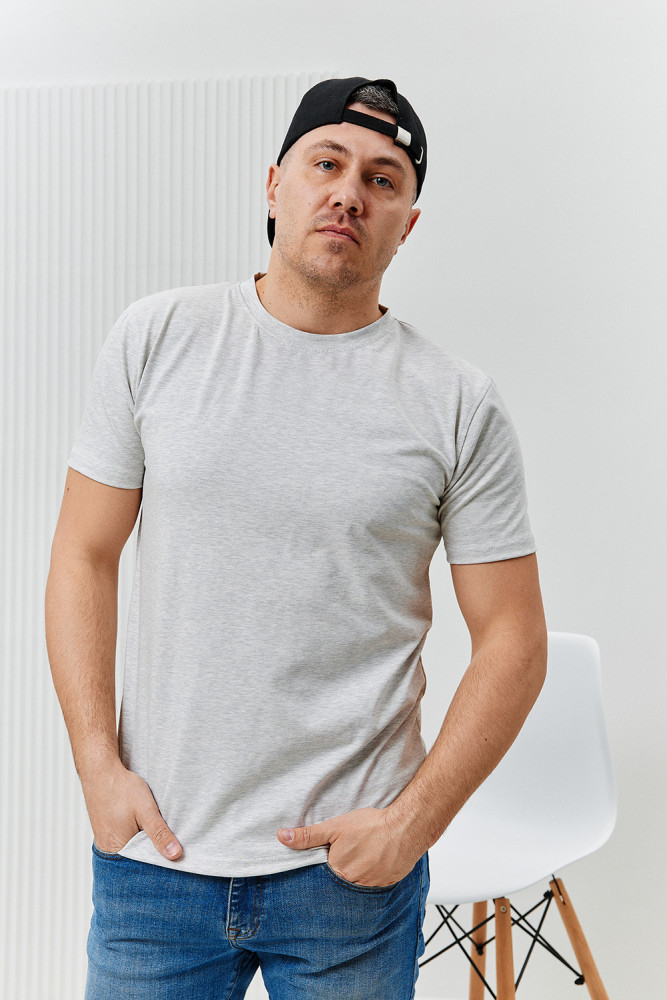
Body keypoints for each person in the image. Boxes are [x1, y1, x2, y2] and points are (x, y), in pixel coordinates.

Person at [45, 76, 547, 1000]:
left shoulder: (456, 403)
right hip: (156, 861)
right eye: (327, 163)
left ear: (407, 224)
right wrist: (95, 766)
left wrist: (411, 825)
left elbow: (513, 639)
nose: (349, 193)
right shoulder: (157, 337)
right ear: (274, 185)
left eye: (382, 179)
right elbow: (84, 554)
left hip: (347, 880)